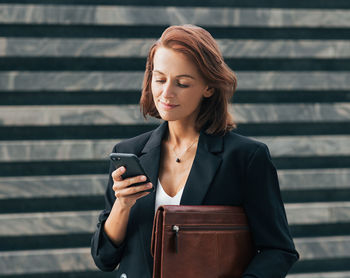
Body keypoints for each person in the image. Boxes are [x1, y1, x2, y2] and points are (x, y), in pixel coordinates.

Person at [91, 24, 299, 278]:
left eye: (183, 83)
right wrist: (122, 205)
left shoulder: (245, 158)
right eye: (160, 79)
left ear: (208, 87)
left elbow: (278, 250)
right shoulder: (129, 152)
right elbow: (104, 257)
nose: (166, 93)